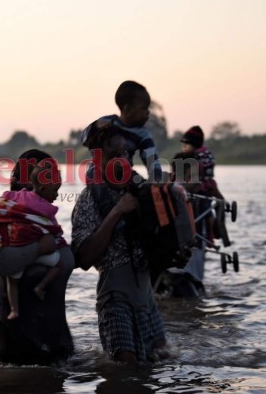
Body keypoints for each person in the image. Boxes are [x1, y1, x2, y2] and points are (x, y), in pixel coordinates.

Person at [72, 125, 167, 364]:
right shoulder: (88, 200)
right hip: (115, 296)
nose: (122, 159)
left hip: (146, 294)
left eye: (125, 153)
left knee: (162, 358)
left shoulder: (141, 191)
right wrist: (116, 212)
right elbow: (83, 259)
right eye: (114, 155)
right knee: (124, 366)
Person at [0, 159, 68, 320]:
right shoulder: (46, 208)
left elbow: (4, 199)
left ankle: (14, 310)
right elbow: (54, 231)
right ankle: (41, 287)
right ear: (42, 188)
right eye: (55, 191)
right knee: (60, 263)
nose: (56, 195)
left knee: (12, 280)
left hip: (12, 249)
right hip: (33, 251)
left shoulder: (14, 195)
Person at [81, 80, 162, 182]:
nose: (148, 112)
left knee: (140, 185)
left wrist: (157, 180)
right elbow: (84, 139)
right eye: (144, 108)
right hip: (100, 172)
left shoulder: (143, 134)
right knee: (94, 173)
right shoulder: (108, 122)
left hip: (124, 173)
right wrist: (95, 127)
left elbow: (152, 160)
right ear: (127, 110)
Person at [180, 125, 224, 199]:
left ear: (195, 144)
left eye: (186, 144)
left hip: (202, 191)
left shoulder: (203, 157)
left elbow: (208, 181)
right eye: (183, 145)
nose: (183, 147)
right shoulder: (187, 157)